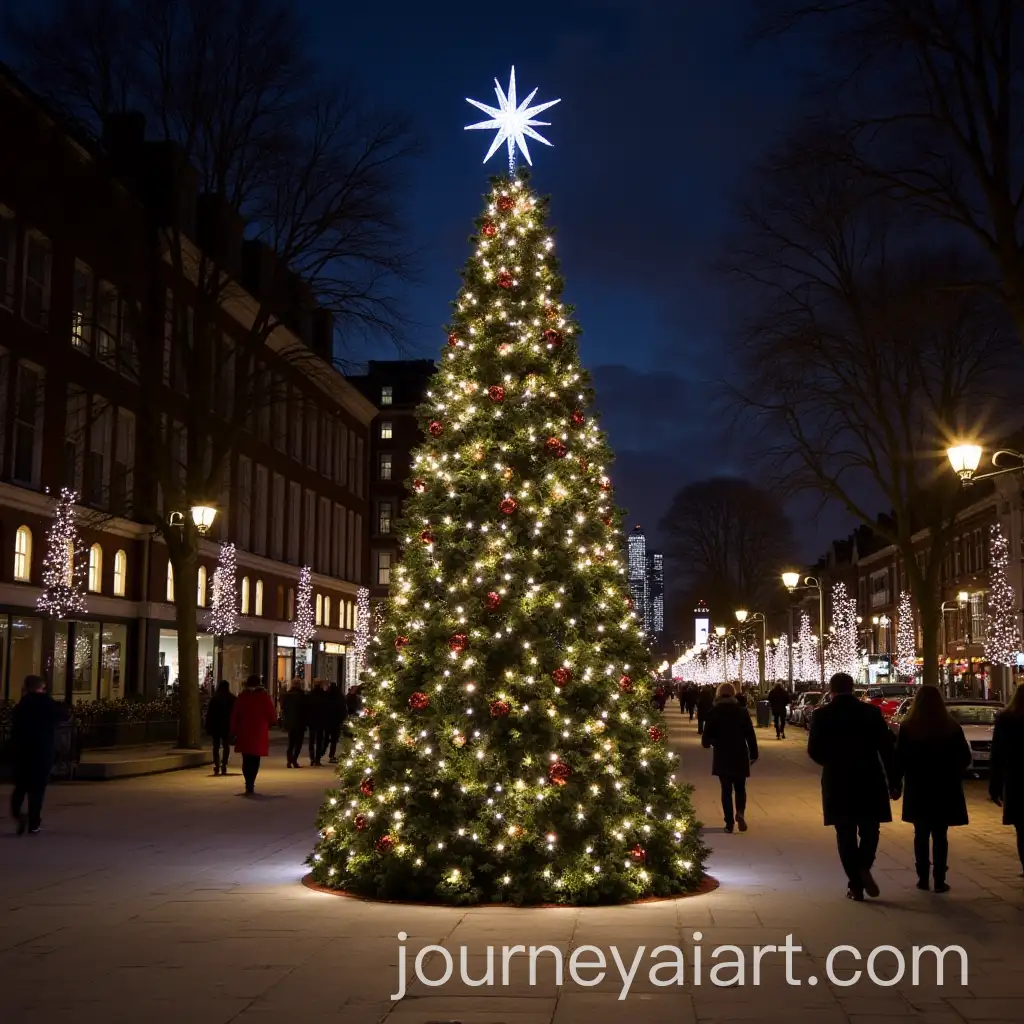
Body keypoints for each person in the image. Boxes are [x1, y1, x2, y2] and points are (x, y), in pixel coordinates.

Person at [808, 672, 900, 901]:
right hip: (869, 777)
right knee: (870, 830)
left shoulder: (822, 715)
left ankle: (856, 884)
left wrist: (830, 762)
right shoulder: (870, 712)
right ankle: (863, 867)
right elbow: (886, 748)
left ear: (832, 690)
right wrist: (894, 781)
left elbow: (814, 750)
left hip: (838, 779)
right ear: (852, 688)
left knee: (845, 832)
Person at [894, 685, 971, 892]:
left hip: (918, 787)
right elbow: (964, 758)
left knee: (920, 833)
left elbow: (899, 759)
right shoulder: (951, 726)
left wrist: (896, 783)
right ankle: (939, 878)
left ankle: (922, 876)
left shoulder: (909, 727)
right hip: (944, 787)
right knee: (940, 834)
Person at [701, 682, 759, 833]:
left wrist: (711, 742)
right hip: (740, 753)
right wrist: (754, 754)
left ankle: (729, 824)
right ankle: (740, 812)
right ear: (734, 694)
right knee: (740, 787)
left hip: (722, 755)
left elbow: (706, 739)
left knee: (726, 790)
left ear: (719, 694)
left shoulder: (714, 712)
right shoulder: (742, 711)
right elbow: (750, 735)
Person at [9, 675, 62, 835]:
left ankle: (18, 814)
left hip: (23, 751)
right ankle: (34, 823)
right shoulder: (47, 703)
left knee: (20, 786)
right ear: (42, 687)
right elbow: (63, 714)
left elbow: (16, 727)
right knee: (37, 790)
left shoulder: (22, 705)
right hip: (43, 751)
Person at [990, 683, 1024, 875]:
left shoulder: (1007, 719)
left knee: (1022, 827)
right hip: (1015, 777)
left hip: (1017, 779)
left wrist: (995, 786)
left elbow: (998, 755)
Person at [230, 675, 276, 795]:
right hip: (259, 731)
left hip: (244, 731)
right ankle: (251, 782)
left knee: (246, 758)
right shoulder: (264, 697)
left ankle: (248, 782)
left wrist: (234, 729)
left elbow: (235, 714)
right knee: (255, 758)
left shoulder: (243, 697)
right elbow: (271, 714)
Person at [204, 679, 235, 776]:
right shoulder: (232, 698)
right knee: (226, 745)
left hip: (216, 725)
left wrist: (208, 725)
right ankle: (224, 764)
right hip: (227, 724)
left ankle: (216, 765)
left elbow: (209, 714)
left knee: (216, 746)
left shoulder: (214, 699)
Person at [280, 677, 307, 769]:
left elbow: (283, 708)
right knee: (298, 743)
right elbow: (305, 710)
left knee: (291, 743)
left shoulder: (287, 695)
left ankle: (289, 760)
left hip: (290, 722)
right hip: (300, 722)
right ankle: (294, 760)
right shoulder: (302, 695)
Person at [307, 679, 329, 766]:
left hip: (312, 720)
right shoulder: (324, 695)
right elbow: (327, 708)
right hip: (321, 720)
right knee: (319, 740)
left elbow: (307, 708)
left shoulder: (310, 694)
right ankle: (317, 759)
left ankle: (312, 758)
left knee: (311, 740)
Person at [326, 682, 346, 763]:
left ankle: (320, 754)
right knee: (334, 739)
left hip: (327, 721)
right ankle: (331, 755)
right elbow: (343, 709)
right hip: (336, 721)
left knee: (326, 738)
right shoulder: (340, 697)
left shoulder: (327, 697)